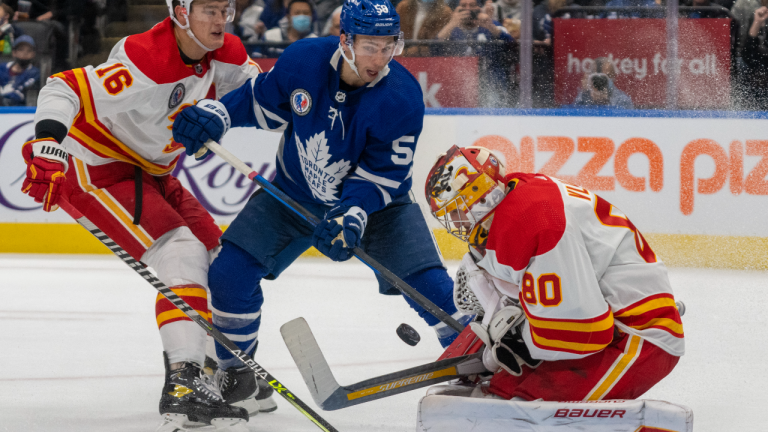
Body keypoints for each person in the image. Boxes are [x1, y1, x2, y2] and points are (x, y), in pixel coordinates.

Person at [170, 0, 472, 398]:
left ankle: (478, 366)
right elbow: (260, 101)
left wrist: (353, 214)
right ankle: (238, 373)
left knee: (431, 289)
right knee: (229, 275)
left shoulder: (402, 96)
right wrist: (219, 114)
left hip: (380, 209)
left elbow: (381, 175)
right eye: (369, 46)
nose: (379, 58)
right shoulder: (304, 60)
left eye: (388, 47)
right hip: (293, 195)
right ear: (345, 40)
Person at [18, 0, 274, 429]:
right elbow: (61, 88)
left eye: (225, 10)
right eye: (208, 10)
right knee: (181, 252)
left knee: (221, 260)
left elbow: (269, 97)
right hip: (97, 165)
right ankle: (183, 381)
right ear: (179, 13)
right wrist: (47, 144)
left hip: (154, 171)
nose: (220, 20)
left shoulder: (225, 54)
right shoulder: (146, 58)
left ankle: (220, 372)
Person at [425, 145, 685, 401]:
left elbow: (588, 333)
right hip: (608, 320)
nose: (456, 221)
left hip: (639, 335)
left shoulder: (535, 220)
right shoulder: (515, 200)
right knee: (493, 391)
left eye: (458, 209)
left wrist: (519, 341)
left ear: (481, 195)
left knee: (515, 407)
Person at [0, 35, 40, 106]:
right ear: (14, 52)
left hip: (20, 112)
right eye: (21, 49)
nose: (25, 53)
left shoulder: (34, 73)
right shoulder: (2, 68)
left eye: (29, 50)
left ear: (33, 54)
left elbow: (23, 93)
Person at [742, 4, 768, 108]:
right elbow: (747, 53)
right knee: (745, 65)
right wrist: (757, 22)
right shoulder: (757, 16)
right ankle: (749, 107)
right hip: (757, 64)